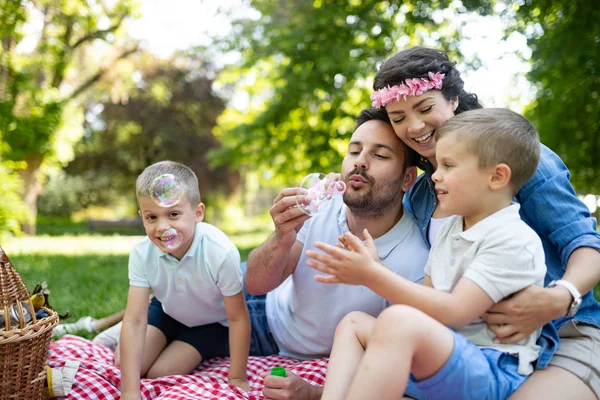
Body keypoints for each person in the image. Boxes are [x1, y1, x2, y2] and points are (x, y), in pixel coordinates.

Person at [369, 46, 600, 399]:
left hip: (566, 332)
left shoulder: (518, 162)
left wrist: (558, 298)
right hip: (475, 347)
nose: (414, 126)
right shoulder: (420, 194)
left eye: (425, 108)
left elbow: (587, 245)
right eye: (398, 118)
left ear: (453, 100)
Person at [309, 107, 546, 400]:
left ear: (497, 177)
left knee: (398, 322)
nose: (435, 176)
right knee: (354, 322)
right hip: (445, 354)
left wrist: (372, 275)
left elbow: (455, 312)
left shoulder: (512, 239)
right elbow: (424, 307)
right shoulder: (451, 228)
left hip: (490, 368)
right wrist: (377, 266)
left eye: (448, 166)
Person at [244, 107, 430, 400]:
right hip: (264, 324)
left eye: (379, 155)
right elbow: (255, 284)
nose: (360, 162)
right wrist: (280, 238)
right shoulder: (318, 207)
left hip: (338, 360)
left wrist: (313, 392)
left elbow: (409, 367)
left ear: (407, 179)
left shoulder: (418, 256)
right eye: (354, 151)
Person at [117, 161, 251, 400]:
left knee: (160, 373)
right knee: (124, 362)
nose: (162, 227)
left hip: (210, 322)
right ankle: (115, 334)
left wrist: (237, 377)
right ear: (141, 217)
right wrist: (129, 392)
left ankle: (192, 346)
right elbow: (135, 320)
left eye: (174, 214)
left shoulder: (219, 252)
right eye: (151, 217)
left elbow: (238, 317)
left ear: (198, 212)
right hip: (168, 312)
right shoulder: (141, 252)